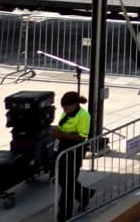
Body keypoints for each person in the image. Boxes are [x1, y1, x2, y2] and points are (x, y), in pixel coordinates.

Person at [53, 90, 94, 218]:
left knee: (68, 183)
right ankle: (84, 194)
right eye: (63, 108)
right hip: (62, 149)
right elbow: (62, 126)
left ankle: (64, 215)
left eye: (66, 107)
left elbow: (82, 137)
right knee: (61, 179)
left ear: (75, 104)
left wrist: (63, 135)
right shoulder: (66, 114)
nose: (64, 110)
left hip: (74, 151)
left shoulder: (84, 116)